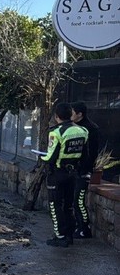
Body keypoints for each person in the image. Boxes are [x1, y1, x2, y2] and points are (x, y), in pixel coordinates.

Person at [42, 103, 89, 247]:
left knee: (55, 205)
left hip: (57, 173)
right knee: (68, 206)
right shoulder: (83, 130)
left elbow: (51, 157)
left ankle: (60, 235)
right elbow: (85, 155)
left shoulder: (56, 132)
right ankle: (69, 234)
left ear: (57, 117)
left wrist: (42, 157)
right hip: (73, 173)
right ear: (70, 114)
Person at [71, 101, 101, 238]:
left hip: (84, 170)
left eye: (72, 113)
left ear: (79, 114)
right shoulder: (74, 127)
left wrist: (84, 168)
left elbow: (92, 153)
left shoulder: (90, 129)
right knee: (74, 200)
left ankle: (85, 227)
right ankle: (78, 225)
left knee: (79, 200)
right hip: (74, 169)